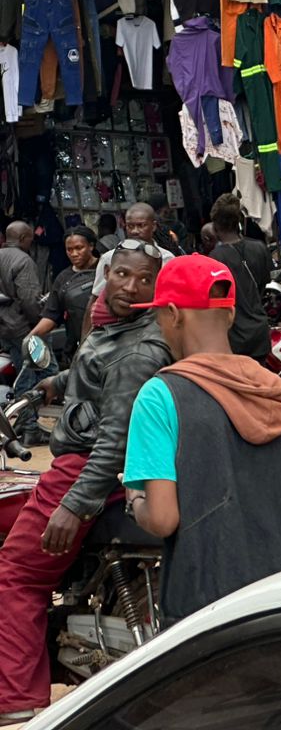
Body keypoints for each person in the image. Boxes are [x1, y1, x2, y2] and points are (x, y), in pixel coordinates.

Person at [0, 243, 169, 725]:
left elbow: (113, 440)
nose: (131, 287)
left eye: (143, 280)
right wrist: (53, 384)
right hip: (88, 466)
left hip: (84, 470)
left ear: (157, 285)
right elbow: (100, 376)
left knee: (16, 576)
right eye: (122, 275)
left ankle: (16, 699)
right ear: (107, 273)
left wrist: (75, 504)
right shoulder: (127, 327)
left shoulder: (138, 346)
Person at [123, 255, 281, 624]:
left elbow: (164, 518)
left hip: (206, 618)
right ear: (230, 315)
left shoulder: (160, 395)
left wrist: (135, 500)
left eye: (157, 317)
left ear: (173, 314)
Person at [17, 228, 99, 443]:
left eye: (79, 248)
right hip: (77, 352)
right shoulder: (63, 278)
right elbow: (51, 316)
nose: (74, 253)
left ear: (91, 245)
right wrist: (32, 338)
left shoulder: (106, 270)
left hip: (106, 348)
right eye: (69, 249)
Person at [84, 202, 176, 338]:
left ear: (154, 226)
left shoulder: (168, 259)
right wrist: (84, 341)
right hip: (116, 332)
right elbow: (95, 300)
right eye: (130, 226)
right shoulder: (110, 258)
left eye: (141, 225)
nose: (135, 231)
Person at [206, 193, 272, 360]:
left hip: (233, 336)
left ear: (214, 226)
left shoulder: (214, 258)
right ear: (240, 222)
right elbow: (266, 283)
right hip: (260, 331)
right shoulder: (259, 248)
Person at [0, 222, 47, 398]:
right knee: (42, 371)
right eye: (30, 239)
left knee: (23, 370)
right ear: (22, 238)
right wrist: (39, 323)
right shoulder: (23, 260)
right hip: (23, 328)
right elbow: (29, 300)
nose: (31, 243)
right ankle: (26, 421)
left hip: (5, 328)